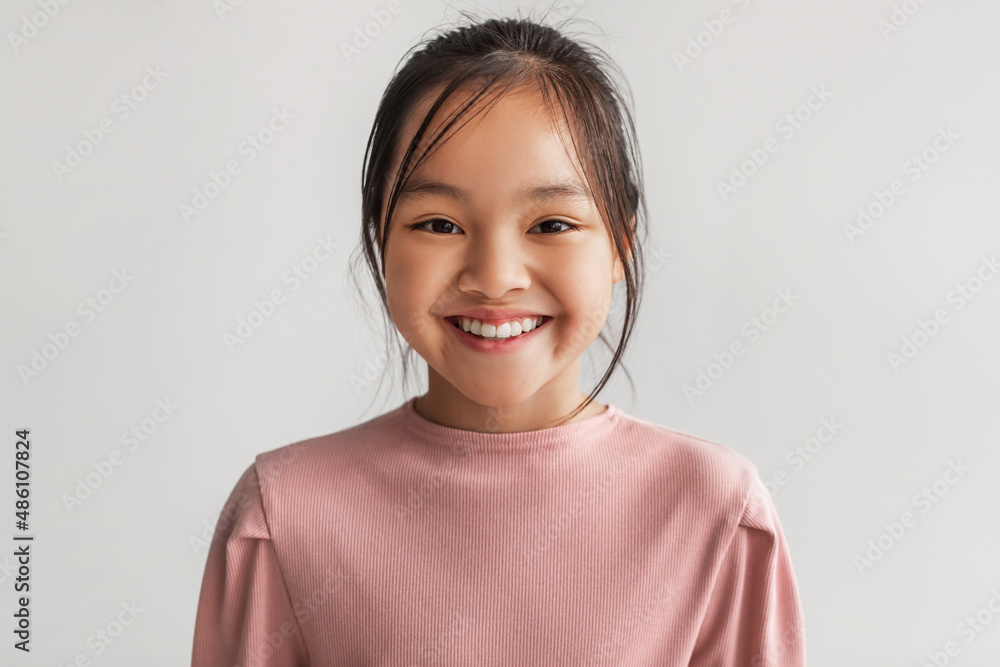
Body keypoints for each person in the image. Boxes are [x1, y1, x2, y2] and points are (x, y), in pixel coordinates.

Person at [191, 12, 807, 666]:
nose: (494, 278)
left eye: (551, 224)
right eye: (438, 222)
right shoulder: (283, 516)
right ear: (380, 238)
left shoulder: (715, 511)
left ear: (620, 246)